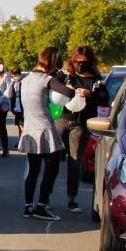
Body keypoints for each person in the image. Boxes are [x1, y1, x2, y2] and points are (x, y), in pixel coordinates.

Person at [19, 46, 76, 221]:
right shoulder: (47, 79)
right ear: (53, 63)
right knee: (52, 167)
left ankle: (28, 206)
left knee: (33, 170)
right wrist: (72, 87)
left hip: (30, 127)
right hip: (45, 128)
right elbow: (68, 93)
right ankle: (42, 205)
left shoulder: (26, 80)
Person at [56, 45, 109, 214]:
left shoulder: (96, 79)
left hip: (81, 123)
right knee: (51, 157)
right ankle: (44, 197)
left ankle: (72, 198)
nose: (80, 65)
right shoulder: (65, 76)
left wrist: (89, 94)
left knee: (75, 160)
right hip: (62, 118)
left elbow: (104, 99)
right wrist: (68, 91)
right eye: (77, 61)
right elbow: (51, 90)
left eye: (84, 62)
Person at [8, 67, 24, 138]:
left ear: (19, 75)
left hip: (23, 107)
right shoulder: (13, 83)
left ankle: (24, 141)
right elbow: (11, 95)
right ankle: (20, 140)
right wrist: (12, 107)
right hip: (16, 107)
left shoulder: (24, 82)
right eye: (12, 76)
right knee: (18, 125)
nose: (14, 77)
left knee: (22, 125)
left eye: (15, 75)